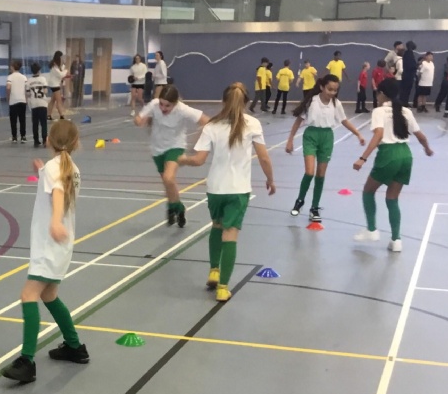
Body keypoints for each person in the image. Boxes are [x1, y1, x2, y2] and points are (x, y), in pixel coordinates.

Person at [1, 121, 88, 383]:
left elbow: (58, 192)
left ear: (48, 140)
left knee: (28, 295)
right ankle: (74, 347)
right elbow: (57, 183)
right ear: (75, 143)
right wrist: (41, 171)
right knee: (49, 295)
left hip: (49, 244)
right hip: (61, 246)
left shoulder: (54, 167)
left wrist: (55, 221)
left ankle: (27, 361)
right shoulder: (70, 168)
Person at [178, 83, 275, 302]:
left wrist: (182, 159)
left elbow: (199, 160)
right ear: (246, 102)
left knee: (216, 226)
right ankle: (223, 287)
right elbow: (264, 157)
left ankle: (214, 270)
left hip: (215, 189)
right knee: (230, 234)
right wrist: (270, 179)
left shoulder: (212, 125)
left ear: (223, 101)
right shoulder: (253, 124)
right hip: (238, 190)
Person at [353, 79, 433, 252]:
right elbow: (421, 136)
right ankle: (396, 240)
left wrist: (362, 158)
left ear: (382, 94)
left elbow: (378, 135)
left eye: (377, 93)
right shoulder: (406, 111)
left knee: (368, 191)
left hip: (388, 154)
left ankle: (371, 230)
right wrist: (427, 149)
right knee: (392, 198)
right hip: (406, 155)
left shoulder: (379, 111)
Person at [286, 75, 365, 223]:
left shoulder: (336, 104)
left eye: (335, 90)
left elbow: (344, 121)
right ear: (322, 87)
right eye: (329, 89)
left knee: (320, 175)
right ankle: (300, 200)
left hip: (327, 137)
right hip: (311, 136)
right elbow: (298, 121)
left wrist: (358, 134)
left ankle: (314, 208)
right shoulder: (312, 101)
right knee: (309, 172)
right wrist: (290, 140)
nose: (332, 93)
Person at [134, 84, 209, 227]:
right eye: (161, 104)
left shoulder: (183, 110)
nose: (163, 108)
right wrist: (138, 121)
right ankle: (176, 207)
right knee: (167, 183)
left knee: (169, 178)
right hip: (157, 148)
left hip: (175, 147)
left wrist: (198, 141)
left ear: (175, 103)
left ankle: (174, 208)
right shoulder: (154, 104)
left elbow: (207, 122)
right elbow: (138, 118)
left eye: (167, 106)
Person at [27, 62, 49, 148]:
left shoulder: (29, 81)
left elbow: (28, 94)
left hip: (34, 104)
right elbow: (45, 91)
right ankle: (45, 140)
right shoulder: (43, 79)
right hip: (42, 103)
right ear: (39, 70)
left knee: (35, 123)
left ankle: (36, 141)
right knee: (43, 123)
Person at [6, 59, 28, 144]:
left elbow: (8, 87)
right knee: (22, 119)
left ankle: (14, 137)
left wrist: (8, 97)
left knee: (13, 120)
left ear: (13, 67)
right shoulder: (24, 77)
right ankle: (23, 136)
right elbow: (26, 89)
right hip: (22, 100)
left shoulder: (10, 77)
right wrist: (26, 99)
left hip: (13, 101)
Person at [47, 51, 68, 121]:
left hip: (55, 84)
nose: (62, 58)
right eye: (61, 57)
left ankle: (48, 115)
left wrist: (63, 66)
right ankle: (62, 116)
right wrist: (66, 71)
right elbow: (61, 75)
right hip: (55, 85)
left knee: (52, 100)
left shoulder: (57, 65)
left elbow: (61, 71)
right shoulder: (54, 66)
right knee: (59, 101)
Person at [399, 41, 418, 107]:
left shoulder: (407, 53)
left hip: (407, 74)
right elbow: (411, 65)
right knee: (406, 89)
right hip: (408, 75)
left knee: (405, 90)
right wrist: (416, 65)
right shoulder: (409, 54)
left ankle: (405, 102)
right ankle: (404, 102)